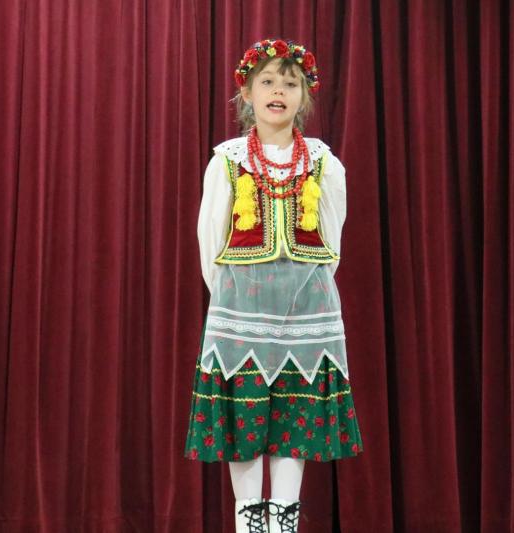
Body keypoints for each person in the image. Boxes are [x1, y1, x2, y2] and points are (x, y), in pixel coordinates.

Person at [184, 38, 364, 533]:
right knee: (244, 418)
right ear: (247, 93)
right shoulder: (227, 161)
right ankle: (249, 522)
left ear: (304, 96)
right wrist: (234, 294)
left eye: (290, 83)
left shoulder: (323, 162)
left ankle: (284, 520)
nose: (278, 91)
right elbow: (210, 239)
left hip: (307, 308)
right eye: (267, 82)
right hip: (242, 308)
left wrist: (306, 288)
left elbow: (332, 236)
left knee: (293, 418)